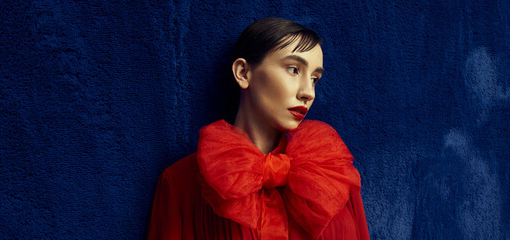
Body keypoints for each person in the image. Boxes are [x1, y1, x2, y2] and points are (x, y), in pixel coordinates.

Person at [148, 18, 369, 240]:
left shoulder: (333, 175)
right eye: (293, 69)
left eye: (314, 79)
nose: (308, 92)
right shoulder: (181, 184)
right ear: (243, 73)